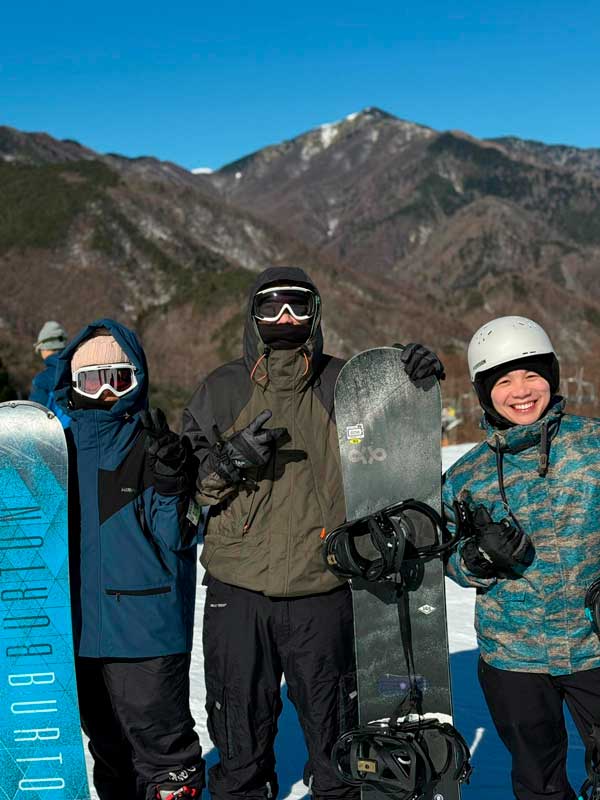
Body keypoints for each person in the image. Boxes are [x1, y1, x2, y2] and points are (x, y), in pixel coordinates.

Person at [182, 266, 445, 800]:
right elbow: (186, 493)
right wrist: (228, 463)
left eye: (297, 306)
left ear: (316, 314)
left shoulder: (344, 384)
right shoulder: (223, 388)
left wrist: (408, 381)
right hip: (239, 591)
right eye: (272, 306)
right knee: (237, 732)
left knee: (336, 736)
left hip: (324, 585)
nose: (285, 317)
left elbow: (399, 452)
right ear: (253, 315)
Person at [443, 315, 600, 800]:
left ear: (552, 376)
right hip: (514, 655)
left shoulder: (593, 446)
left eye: (532, 374)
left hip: (594, 644)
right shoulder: (466, 476)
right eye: (504, 381)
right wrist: (475, 558)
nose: (521, 391)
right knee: (539, 783)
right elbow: (446, 555)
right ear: (484, 392)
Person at [53, 318, 205, 800]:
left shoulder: (155, 446)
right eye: (91, 380)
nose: (105, 393)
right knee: (109, 752)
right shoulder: (57, 452)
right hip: (79, 635)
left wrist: (172, 484)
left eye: (118, 379)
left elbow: (177, 538)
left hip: (145, 634)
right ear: (72, 384)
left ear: (137, 378)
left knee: (164, 756)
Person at [30, 320, 71, 427]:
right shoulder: (79, 368)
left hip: (60, 434)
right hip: (83, 433)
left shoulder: (43, 380)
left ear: (44, 348)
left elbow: (35, 417)